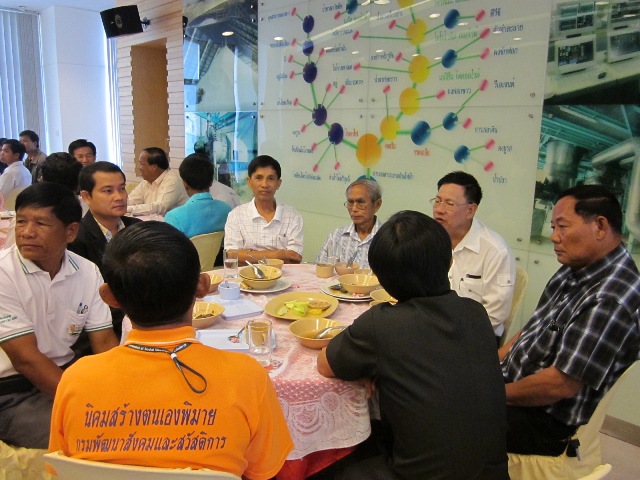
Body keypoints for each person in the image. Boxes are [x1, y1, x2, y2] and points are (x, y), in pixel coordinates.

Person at [49, 221, 293, 478]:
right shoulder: (247, 377)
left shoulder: (76, 379)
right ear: (203, 286)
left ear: (109, 296)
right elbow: (263, 471)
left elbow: (57, 470)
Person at [317, 210, 508, 479]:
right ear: (449, 262)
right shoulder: (475, 312)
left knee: (330, 470)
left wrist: (368, 366)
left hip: (418, 475)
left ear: (381, 278)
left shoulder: (382, 323)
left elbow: (325, 364)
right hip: (492, 473)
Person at [500, 185, 640, 457]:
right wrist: (489, 362)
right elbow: (533, 329)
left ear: (600, 226)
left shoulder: (612, 297)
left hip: (543, 421)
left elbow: (559, 384)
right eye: (553, 227)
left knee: (441, 416)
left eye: (562, 227)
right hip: (513, 388)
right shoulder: (575, 269)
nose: (554, 237)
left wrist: (492, 393)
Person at [0, 183, 118, 449]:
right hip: (12, 392)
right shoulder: (4, 273)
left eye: (41, 223)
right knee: (93, 432)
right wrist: (88, 404)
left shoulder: (86, 271)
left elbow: (104, 343)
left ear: (71, 231)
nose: (27, 232)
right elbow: (25, 359)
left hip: (66, 376)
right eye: (21, 221)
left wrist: (118, 390)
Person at [432, 171, 515, 341]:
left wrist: (450, 332)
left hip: (475, 336)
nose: (439, 210)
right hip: (436, 327)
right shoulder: (431, 239)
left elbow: (494, 315)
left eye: (449, 204)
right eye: (438, 201)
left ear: (471, 210)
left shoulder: (495, 251)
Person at [68, 162, 141, 338]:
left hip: (149, 316)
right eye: (108, 191)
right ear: (86, 196)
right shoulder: (76, 240)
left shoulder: (137, 228)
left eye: (122, 189)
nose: (119, 197)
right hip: (104, 327)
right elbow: (84, 301)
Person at [224, 155, 303, 265]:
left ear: (278, 183)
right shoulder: (236, 215)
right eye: (259, 178)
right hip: (246, 275)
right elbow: (231, 256)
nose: (264, 184)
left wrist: (247, 255)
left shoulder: (292, 216)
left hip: (283, 275)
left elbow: (295, 257)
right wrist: (275, 255)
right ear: (249, 182)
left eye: (271, 178)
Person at [316, 178, 382, 269]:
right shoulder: (336, 236)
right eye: (350, 202)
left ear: (377, 205)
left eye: (360, 202)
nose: (354, 209)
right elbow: (320, 270)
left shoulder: (387, 239)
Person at [164, 153, 232, 238]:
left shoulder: (174, 217)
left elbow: (169, 245)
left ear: (185, 184)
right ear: (211, 182)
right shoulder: (227, 210)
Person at [127, 147, 188, 216]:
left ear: (154, 167)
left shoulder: (172, 180)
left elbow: (160, 207)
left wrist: (128, 209)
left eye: (141, 164)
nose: (139, 167)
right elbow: (131, 201)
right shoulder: (146, 182)